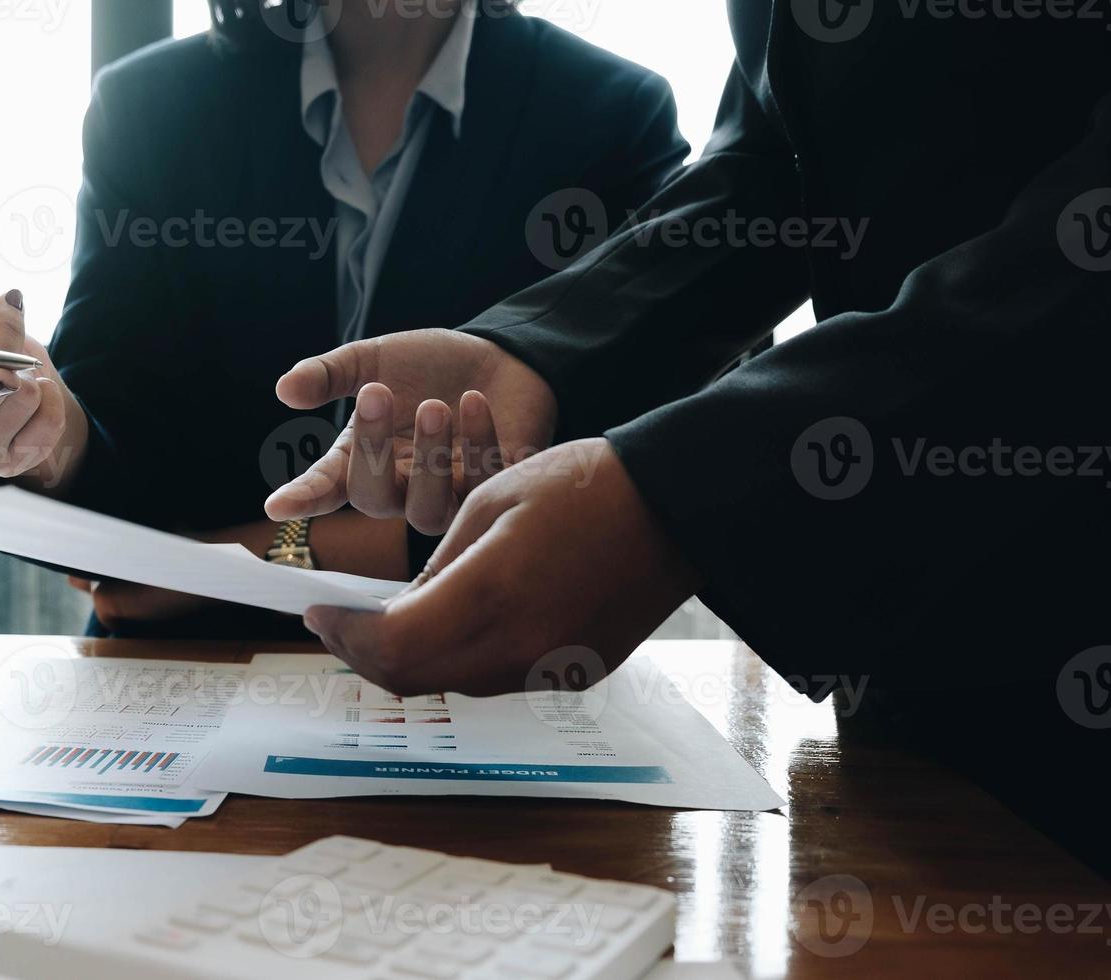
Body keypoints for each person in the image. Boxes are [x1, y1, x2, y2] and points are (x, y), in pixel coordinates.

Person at [263, 4, 1111, 871]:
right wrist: (536, 352)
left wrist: (684, 491)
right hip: (912, 686)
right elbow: (774, 168)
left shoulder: (593, 97)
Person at [0, 0, 688, 637]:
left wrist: (228, 566)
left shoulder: (610, 115)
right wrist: (34, 430)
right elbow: (113, 492)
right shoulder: (152, 108)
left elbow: (612, 490)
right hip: (180, 695)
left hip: (492, 673)